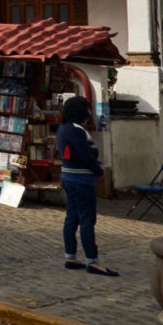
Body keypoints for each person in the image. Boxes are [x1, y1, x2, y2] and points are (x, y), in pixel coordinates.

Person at [57, 96, 118, 276]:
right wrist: (99, 171)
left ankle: (71, 256)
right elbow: (85, 155)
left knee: (72, 217)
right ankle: (92, 260)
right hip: (81, 180)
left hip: (68, 177)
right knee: (86, 220)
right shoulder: (77, 130)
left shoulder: (63, 129)